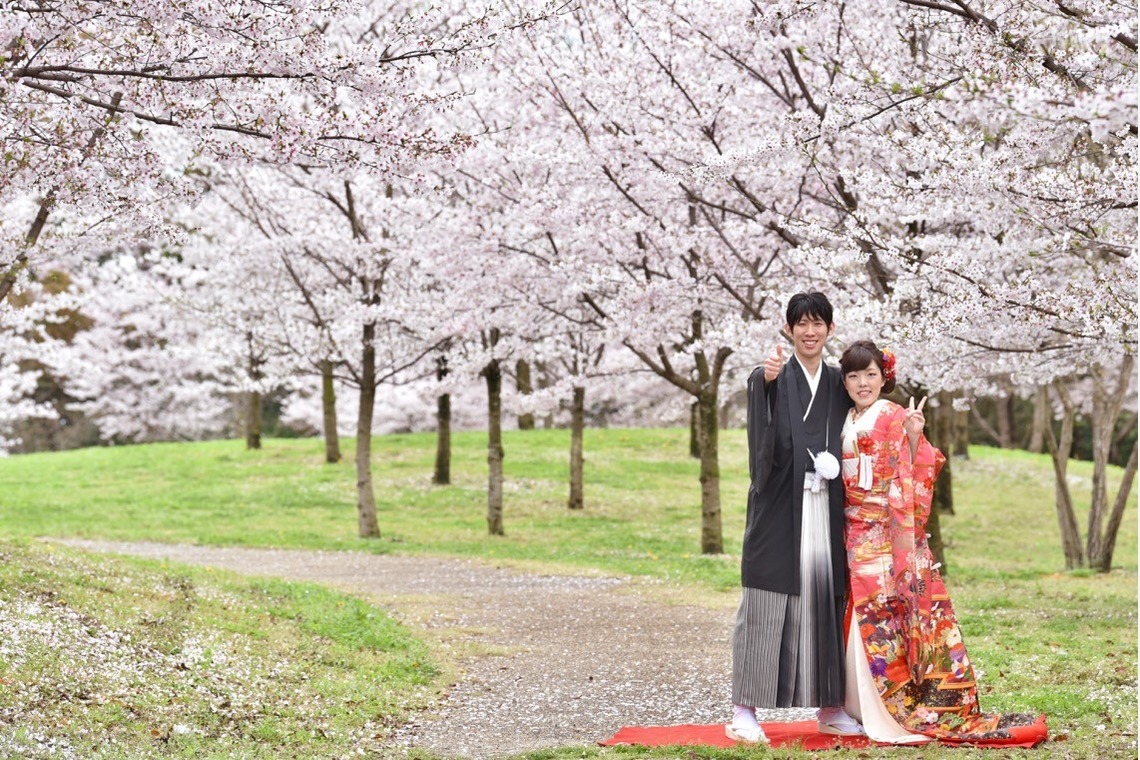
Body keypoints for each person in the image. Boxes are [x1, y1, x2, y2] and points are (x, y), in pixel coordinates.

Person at [838, 340, 1039, 743]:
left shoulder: (894, 415)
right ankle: (857, 706)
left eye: (871, 375)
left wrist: (914, 436)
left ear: (884, 378)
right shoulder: (844, 416)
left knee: (884, 618)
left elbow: (923, 464)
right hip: (850, 528)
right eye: (854, 376)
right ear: (844, 381)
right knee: (860, 617)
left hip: (883, 529)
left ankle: (891, 707)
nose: (863, 383)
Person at [728, 292, 863, 744]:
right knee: (765, 604)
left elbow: (864, 413)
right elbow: (760, 440)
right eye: (801, 323)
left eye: (818, 323)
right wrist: (764, 383)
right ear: (788, 329)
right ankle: (744, 709)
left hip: (824, 508)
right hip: (780, 509)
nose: (809, 331)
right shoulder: (772, 377)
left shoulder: (837, 381)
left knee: (824, 603)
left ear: (829, 328)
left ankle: (829, 707)